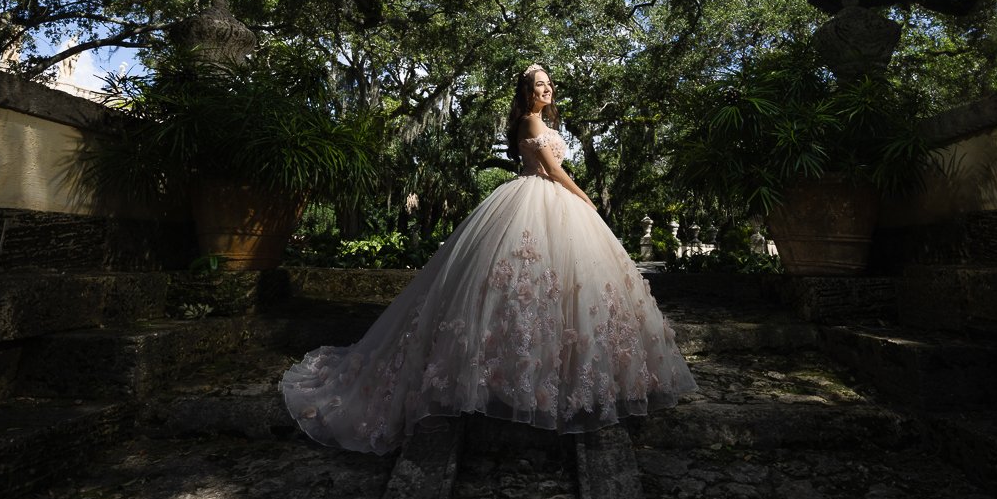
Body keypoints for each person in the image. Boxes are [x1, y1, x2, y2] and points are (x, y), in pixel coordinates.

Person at [281, 63, 698, 454]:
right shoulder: (531, 122)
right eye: (539, 84)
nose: (547, 88)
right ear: (526, 92)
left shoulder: (546, 121)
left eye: (549, 83)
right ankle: (509, 381)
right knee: (522, 284)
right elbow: (551, 170)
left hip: (550, 205)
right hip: (538, 198)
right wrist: (584, 195)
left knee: (567, 286)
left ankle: (560, 378)